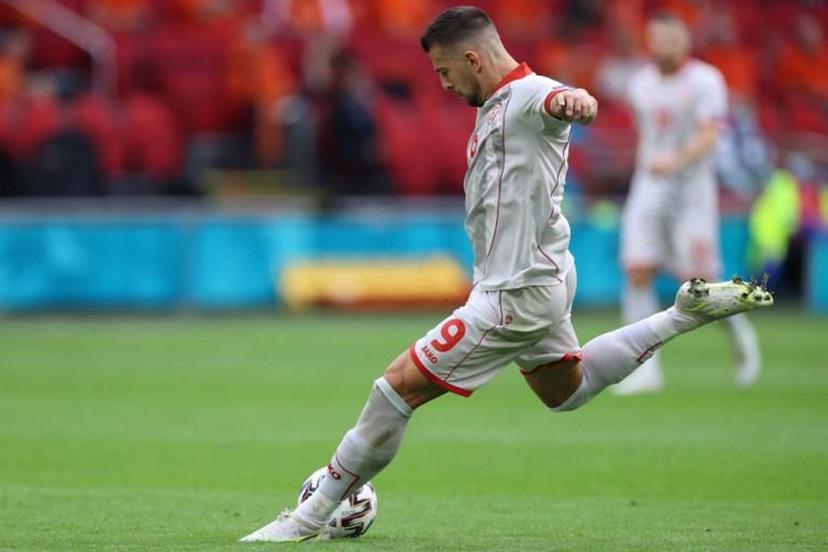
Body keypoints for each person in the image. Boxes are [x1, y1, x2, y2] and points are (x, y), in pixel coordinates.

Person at [239, 6, 772, 542]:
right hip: (541, 275)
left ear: (472, 58)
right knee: (567, 390)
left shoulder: (528, 96)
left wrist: (575, 102)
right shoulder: (496, 102)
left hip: (513, 292)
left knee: (394, 389)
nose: (444, 85)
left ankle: (306, 519)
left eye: (446, 72)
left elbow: (563, 102)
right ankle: (683, 315)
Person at [614, 11, 762, 395]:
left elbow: (710, 135)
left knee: (701, 285)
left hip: (692, 193)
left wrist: (674, 160)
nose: (664, 47)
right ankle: (645, 369)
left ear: (685, 41)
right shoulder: (641, 84)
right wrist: (652, 163)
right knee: (637, 271)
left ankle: (740, 334)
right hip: (648, 188)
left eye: (671, 39)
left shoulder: (706, 81)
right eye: (657, 40)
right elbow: (647, 134)